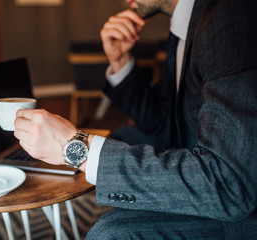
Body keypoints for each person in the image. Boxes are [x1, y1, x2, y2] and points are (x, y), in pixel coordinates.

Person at [14, 0, 257, 238]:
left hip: (240, 210)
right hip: (205, 163)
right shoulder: (186, 27)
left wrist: (76, 148)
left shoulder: (231, 15)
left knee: (110, 234)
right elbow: (162, 121)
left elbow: (230, 184)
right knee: (123, 135)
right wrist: (120, 61)